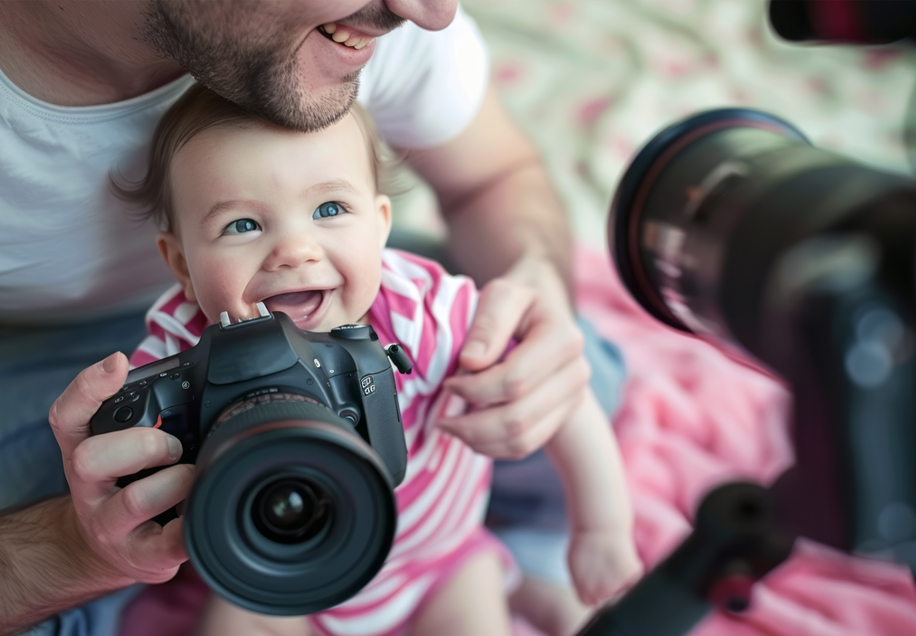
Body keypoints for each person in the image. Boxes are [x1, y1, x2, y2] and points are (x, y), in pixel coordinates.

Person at [0, 2, 624, 635]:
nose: (295, 251)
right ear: (181, 265)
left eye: (330, 210)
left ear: (382, 226)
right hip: (266, 559)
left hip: (437, 563)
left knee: (575, 370)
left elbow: (564, 398)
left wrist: (601, 527)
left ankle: (527, 562)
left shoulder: (418, 311)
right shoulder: (179, 352)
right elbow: (120, 469)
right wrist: (92, 525)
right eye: (243, 225)